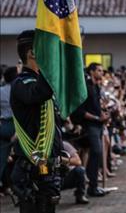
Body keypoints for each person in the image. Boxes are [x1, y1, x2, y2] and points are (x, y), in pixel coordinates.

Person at [9, 30, 64, 212]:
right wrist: (51, 66)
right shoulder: (22, 83)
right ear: (32, 53)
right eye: (45, 49)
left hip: (47, 170)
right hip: (32, 171)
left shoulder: (38, 82)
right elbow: (39, 93)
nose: (49, 54)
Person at [74, 62, 110, 197]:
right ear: (92, 71)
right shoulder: (85, 86)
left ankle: (93, 185)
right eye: (99, 70)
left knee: (97, 153)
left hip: (97, 124)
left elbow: (96, 106)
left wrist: (103, 114)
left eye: (102, 70)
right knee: (96, 152)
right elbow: (80, 110)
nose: (101, 73)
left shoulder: (96, 87)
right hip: (89, 125)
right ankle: (91, 186)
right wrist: (97, 118)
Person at [0, 67, 17, 188]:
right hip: (16, 126)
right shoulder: (19, 89)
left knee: (2, 160)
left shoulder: (1, 90)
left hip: (4, 126)